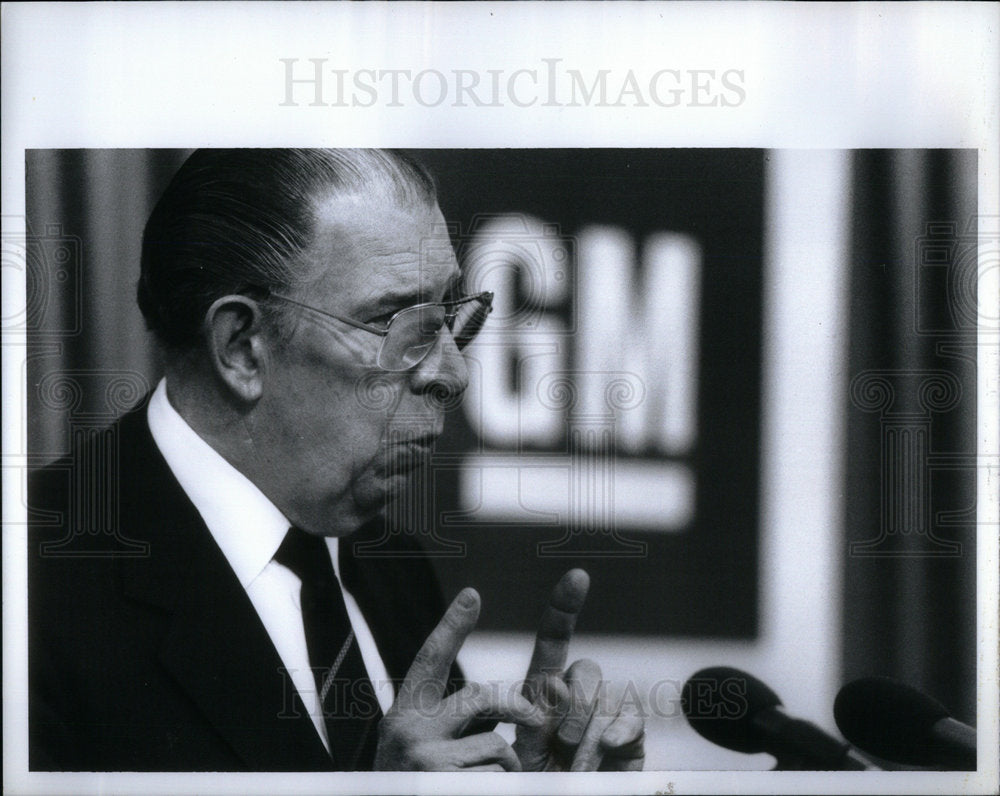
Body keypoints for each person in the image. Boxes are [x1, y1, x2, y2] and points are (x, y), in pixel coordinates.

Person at [28, 149, 644, 773]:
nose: (453, 373)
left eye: (453, 317)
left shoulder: (390, 564)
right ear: (241, 347)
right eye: (399, 323)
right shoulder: (31, 581)